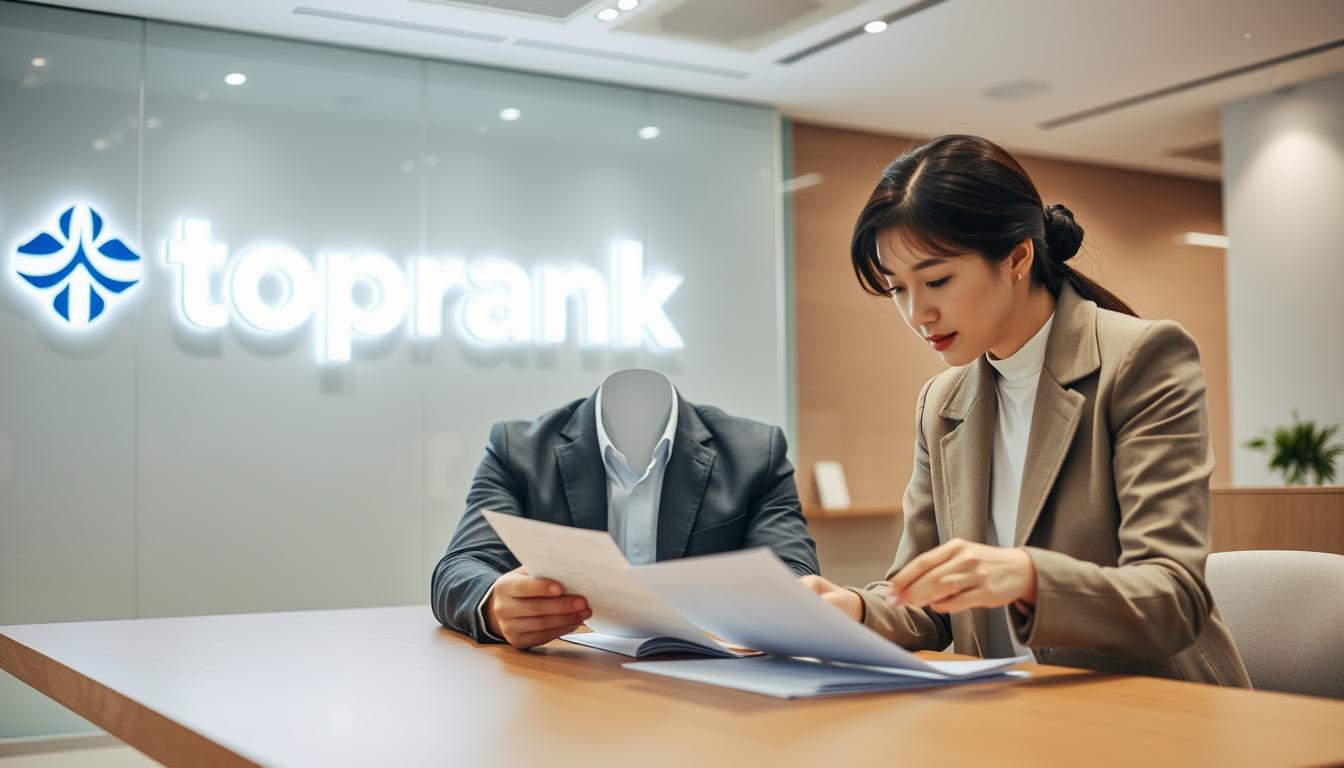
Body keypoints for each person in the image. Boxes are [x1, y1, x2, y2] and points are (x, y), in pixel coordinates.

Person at [801, 135, 1250, 685]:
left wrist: (1029, 576)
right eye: (897, 289)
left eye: (937, 280)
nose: (918, 313)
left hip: (1150, 706)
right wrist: (853, 609)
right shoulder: (941, 402)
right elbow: (926, 603)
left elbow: (1172, 600)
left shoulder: (1140, 359)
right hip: (1011, 705)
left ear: (1017, 257)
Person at [432, 369, 819, 650]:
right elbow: (460, 567)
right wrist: (493, 603)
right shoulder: (518, 450)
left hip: (709, 696)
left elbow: (796, 578)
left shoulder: (756, 454)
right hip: (564, 685)